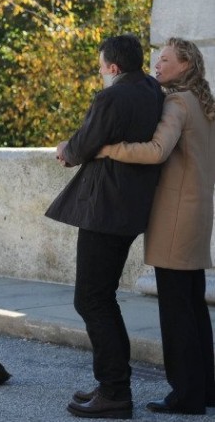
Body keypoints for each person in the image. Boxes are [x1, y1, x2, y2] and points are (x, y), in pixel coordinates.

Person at [45, 34, 164, 419]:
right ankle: (111, 385)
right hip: (131, 208)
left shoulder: (111, 97)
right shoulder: (152, 90)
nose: (101, 74)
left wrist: (65, 149)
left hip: (106, 207)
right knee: (101, 297)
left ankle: (115, 391)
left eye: (101, 68)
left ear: (113, 67)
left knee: (92, 299)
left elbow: (83, 146)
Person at [97, 37, 215, 415]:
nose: (157, 66)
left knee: (177, 311)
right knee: (193, 306)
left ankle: (186, 395)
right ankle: (205, 389)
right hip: (197, 214)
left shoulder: (177, 103)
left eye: (165, 60)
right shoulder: (203, 103)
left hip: (175, 217)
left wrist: (109, 149)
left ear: (186, 65)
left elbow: (156, 151)